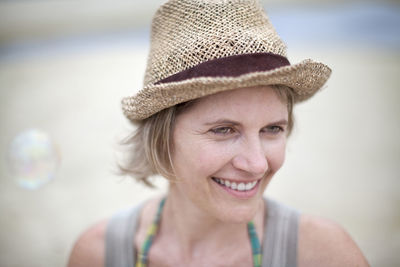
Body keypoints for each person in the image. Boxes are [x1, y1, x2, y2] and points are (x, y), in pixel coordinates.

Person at [68, 0, 369, 266]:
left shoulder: (322, 255)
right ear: (162, 137)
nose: (258, 164)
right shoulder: (99, 255)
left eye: (272, 129)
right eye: (224, 130)